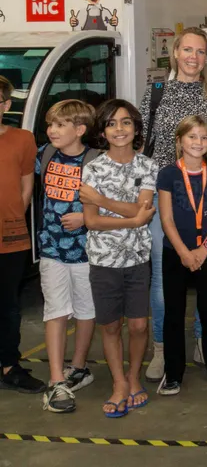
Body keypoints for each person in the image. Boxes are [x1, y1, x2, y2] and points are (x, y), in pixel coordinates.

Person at [138, 27, 207, 382]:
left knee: (205, 278)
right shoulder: (155, 93)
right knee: (163, 282)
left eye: (200, 51)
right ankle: (163, 349)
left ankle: (203, 343)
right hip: (165, 200)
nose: (193, 57)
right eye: (187, 50)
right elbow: (144, 150)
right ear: (175, 53)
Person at [81, 99, 158, 418]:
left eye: (126, 122)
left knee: (139, 326)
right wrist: (132, 220)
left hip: (138, 258)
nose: (119, 129)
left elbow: (143, 209)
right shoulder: (93, 168)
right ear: (102, 131)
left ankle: (133, 377)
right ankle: (118, 384)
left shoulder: (148, 167)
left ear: (136, 128)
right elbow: (92, 221)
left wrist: (100, 199)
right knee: (111, 326)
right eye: (111, 123)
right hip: (103, 261)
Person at [156, 116, 207, 396]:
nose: (198, 143)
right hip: (175, 252)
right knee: (174, 312)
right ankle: (173, 372)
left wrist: (204, 249)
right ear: (180, 141)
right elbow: (166, 219)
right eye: (192, 137)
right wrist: (184, 253)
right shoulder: (167, 174)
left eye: (203, 138)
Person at [36, 100, 98, 413]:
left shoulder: (96, 162)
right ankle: (57, 379)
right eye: (50, 125)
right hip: (51, 251)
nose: (52, 131)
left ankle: (78, 367)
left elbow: (109, 204)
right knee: (55, 311)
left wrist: (85, 219)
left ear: (80, 130)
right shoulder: (44, 154)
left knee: (86, 310)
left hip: (87, 252)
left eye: (60, 125)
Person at [0, 76, 47, 395]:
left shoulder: (23, 139)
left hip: (11, 237)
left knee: (8, 305)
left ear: (5, 104)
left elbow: (27, 187)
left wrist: (14, 218)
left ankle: (8, 365)